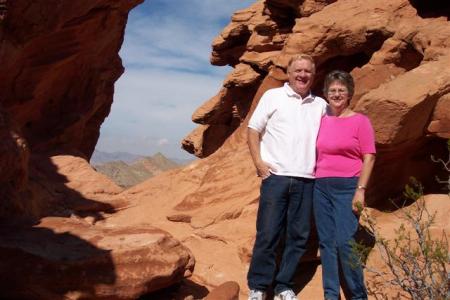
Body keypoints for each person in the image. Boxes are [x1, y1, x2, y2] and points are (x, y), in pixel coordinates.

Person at [246, 54, 327, 300]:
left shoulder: (320, 105)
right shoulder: (273, 96)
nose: (302, 75)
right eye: (298, 71)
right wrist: (259, 163)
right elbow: (253, 129)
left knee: (299, 235)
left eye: (307, 72)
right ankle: (259, 286)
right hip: (276, 177)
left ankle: (283, 285)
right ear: (289, 74)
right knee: (268, 232)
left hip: (306, 179)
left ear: (313, 75)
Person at [313, 70, 376, 300]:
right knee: (327, 244)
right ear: (325, 94)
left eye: (341, 90)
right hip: (320, 187)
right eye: (332, 90)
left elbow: (369, 156)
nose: (337, 94)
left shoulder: (360, 121)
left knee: (345, 242)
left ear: (349, 94)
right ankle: (331, 295)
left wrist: (360, 190)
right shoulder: (320, 121)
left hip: (348, 187)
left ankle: (358, 296)